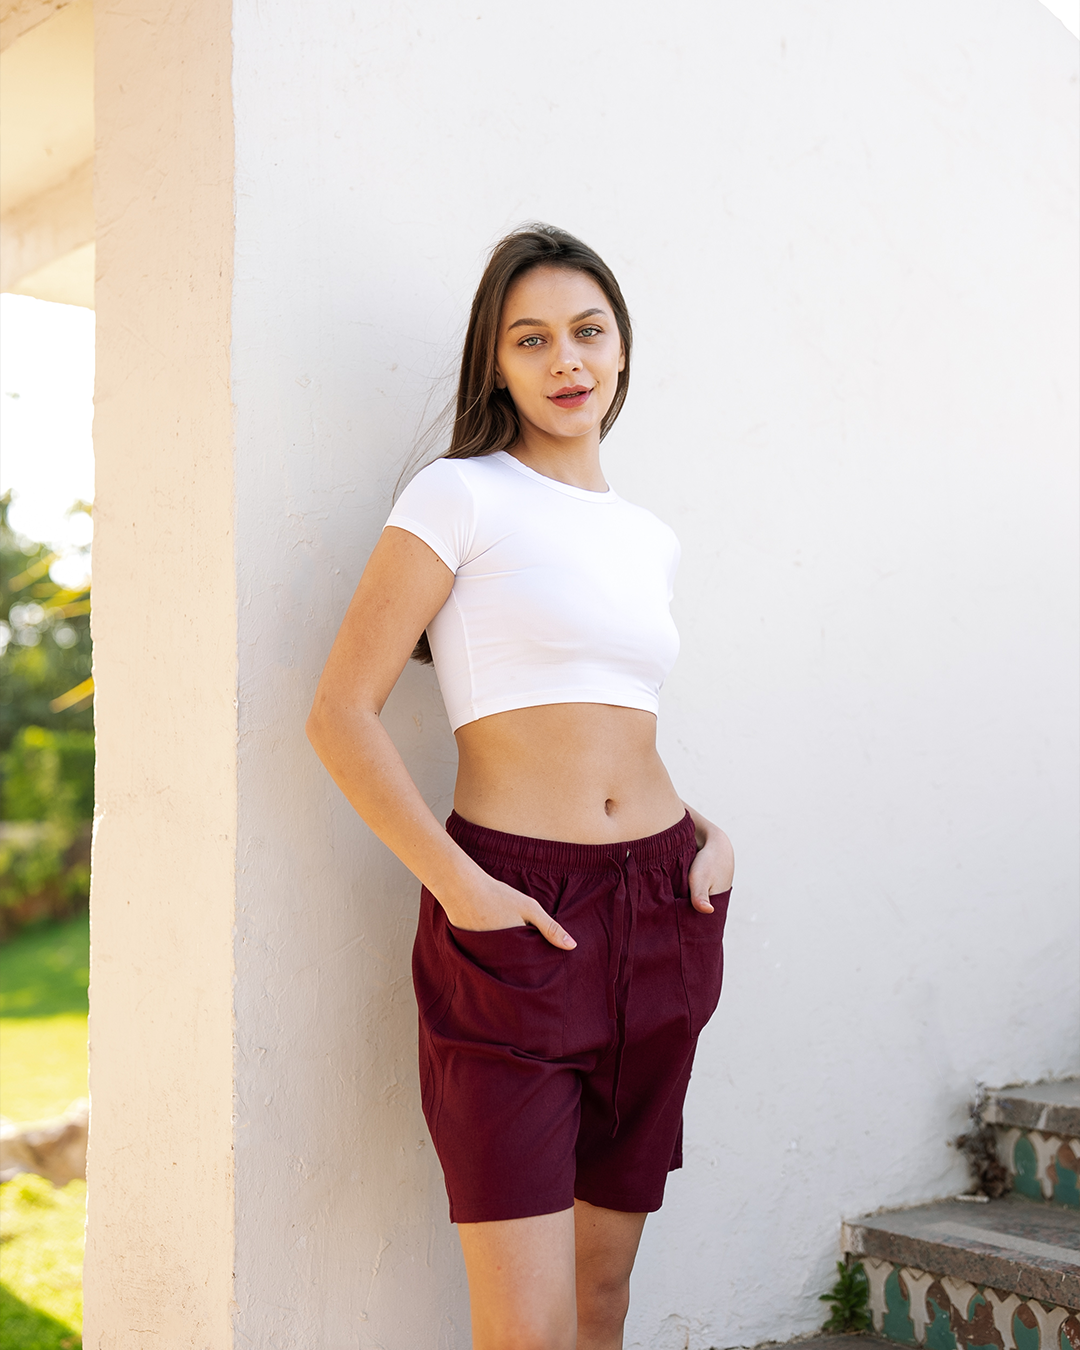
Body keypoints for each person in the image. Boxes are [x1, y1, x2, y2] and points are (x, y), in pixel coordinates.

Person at [306, 224, 735, 1350]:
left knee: (601, 1300)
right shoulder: (458, 497)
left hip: (663, 907)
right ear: (495, 365)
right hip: (516, 913)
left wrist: (704, 831)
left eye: (588, 331)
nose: (566, 360)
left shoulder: (649, 538)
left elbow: (613, 719)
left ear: (623, 347)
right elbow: (340, 713)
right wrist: (463, 889)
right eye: (530, 339)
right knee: (528, 1329)